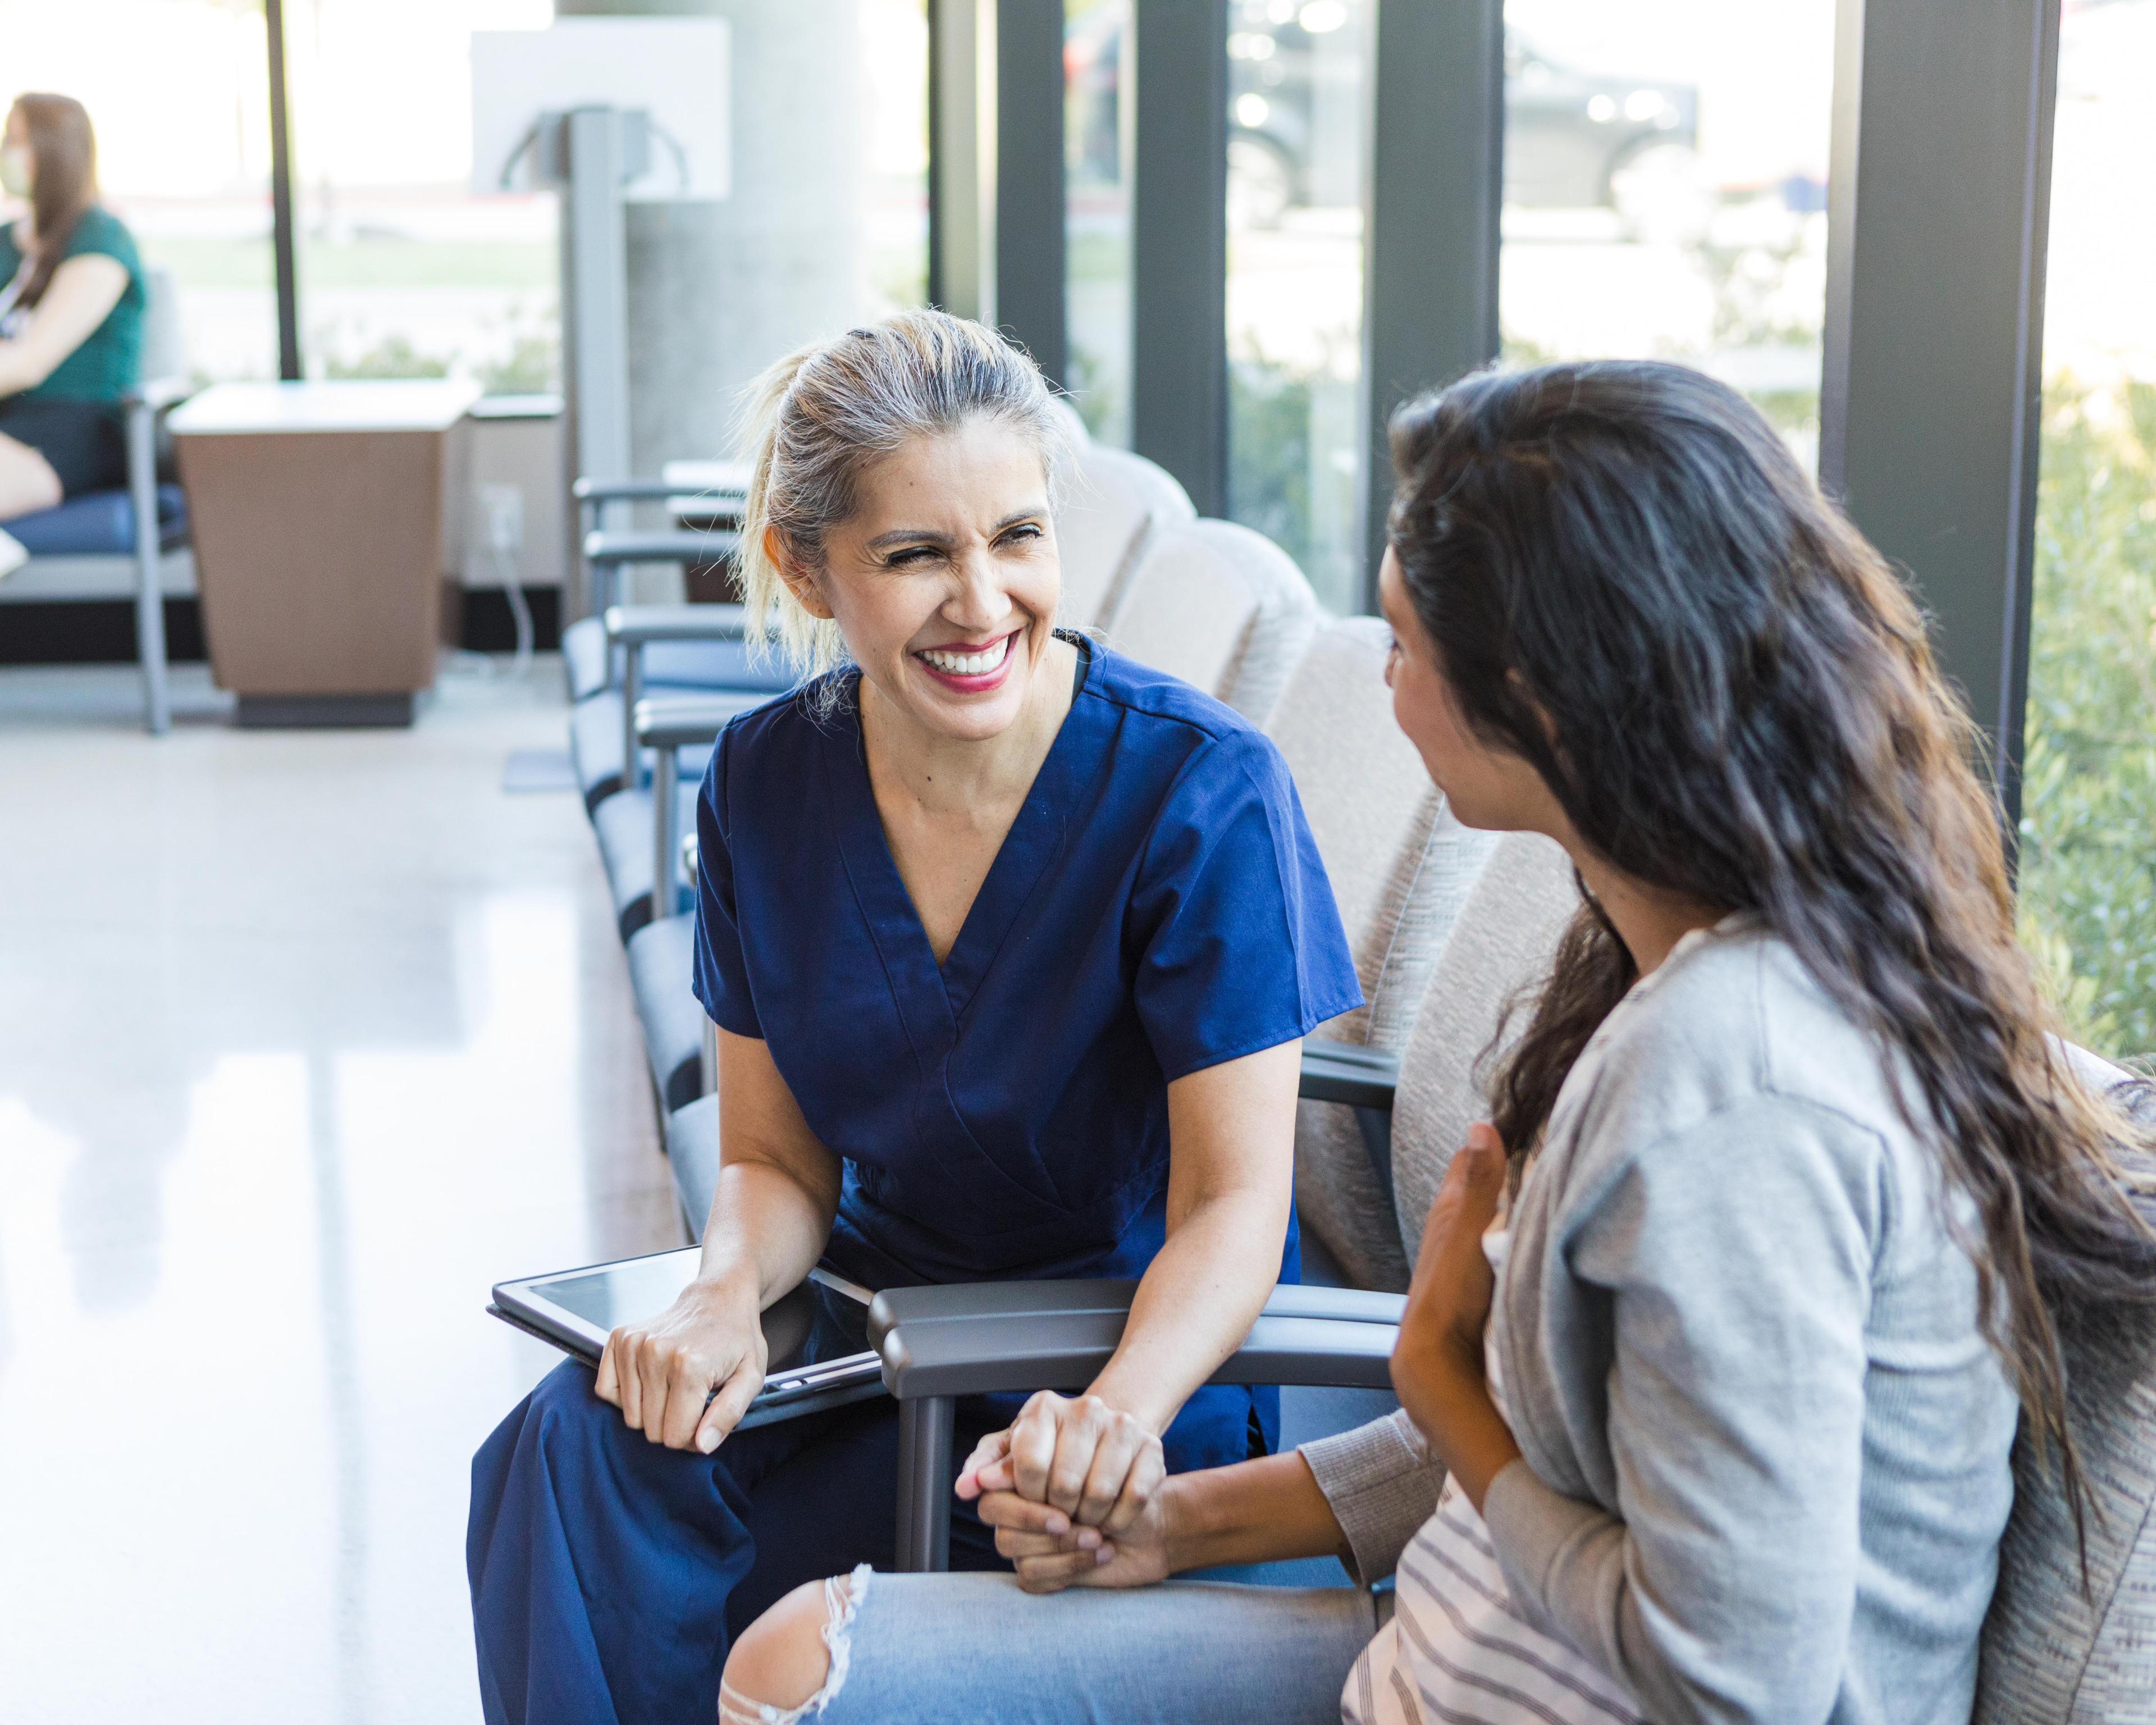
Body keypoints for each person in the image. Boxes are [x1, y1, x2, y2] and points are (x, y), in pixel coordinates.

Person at [718, 360, 2156, 1725]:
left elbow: (1733, 1681)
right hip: (1455, 1645)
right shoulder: (1668, 969)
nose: (1379, 676)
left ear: (1543, 694)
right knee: (794, 1643)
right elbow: (1577, 1446)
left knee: (799, 1664)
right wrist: (1175, 1524)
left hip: (1495, 1678)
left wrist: (1439, 1377)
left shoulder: (1735, 1090)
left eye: (1401, 639)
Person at [464, 310, 1363, 1725]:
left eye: (1016, 536)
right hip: (884, 1348)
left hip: (1136, 1369)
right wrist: (716, 1298)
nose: (983, 599)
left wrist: (1111, 1412)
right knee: (573, 1451)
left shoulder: (1200, 789)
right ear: (804, 568)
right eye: (914, 554)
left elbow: (1234, 1204)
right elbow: (773, 1160)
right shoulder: (765, 784)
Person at [0, 93, 147, 579]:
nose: (9, 153)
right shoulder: (5, 241)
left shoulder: (100, 238)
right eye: (7, 140)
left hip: (71, 429)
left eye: (21, 141)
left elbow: (29, 362)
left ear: (58, 150)